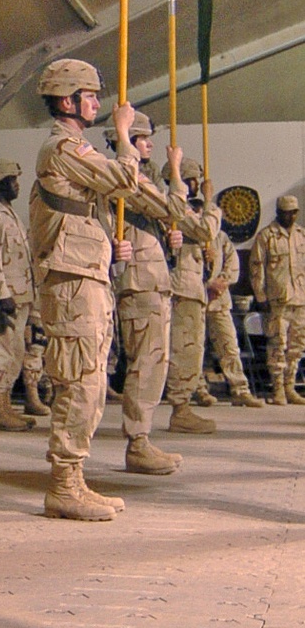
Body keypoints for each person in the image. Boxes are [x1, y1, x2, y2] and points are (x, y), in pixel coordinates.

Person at [29, 60, 141, 520]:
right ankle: (63, 484)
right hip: (73, 285)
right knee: (79, 381)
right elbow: (125, 180)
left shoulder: (72, 148)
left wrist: (106, 247)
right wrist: (124, 135)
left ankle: (74, 478)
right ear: (67, 100)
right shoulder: (63, 147)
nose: (97, 102)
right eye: (89, 95)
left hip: (84, 277)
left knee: (90, 380)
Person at [101, 112, 202, 474]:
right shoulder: (127, 178)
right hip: (140, 283)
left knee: (153, 363)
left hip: (153, 279)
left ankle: (141, 438)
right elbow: (174, 207)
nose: (150, 145)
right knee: (146, 364)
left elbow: (161, 221)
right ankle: (137, 442)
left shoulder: (136, 179)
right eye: (142, 138)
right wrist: (175, 171)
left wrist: (169, 240)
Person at [0, 158, 48, 430]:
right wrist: (1, 293)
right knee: (4, 351)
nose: (17, 185)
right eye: (12, 180)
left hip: (20, 294)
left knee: (17, 350)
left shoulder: (8, 213)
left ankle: (9, 405)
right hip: (4, 298)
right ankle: (0, 409)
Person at [164, 159, 222, 432]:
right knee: (185, 349)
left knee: (193, 349)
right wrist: (210, 202)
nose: (199, 185)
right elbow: (206, 229)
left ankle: (183, 403)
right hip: (182, 288)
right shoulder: (176, 208)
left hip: (191, 286)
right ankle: (180, 408)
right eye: (195, 180)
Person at [195, 227, 264, 407]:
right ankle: (199, 389)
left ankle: (240, 389)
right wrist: (208, 283)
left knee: (229, 346)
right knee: (195, 348)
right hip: (195, 299)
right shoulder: (188, 235)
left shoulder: (221, 237)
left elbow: (233, 263)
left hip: (219, 299)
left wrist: (222, 281)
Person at [249, 195, 305, 404]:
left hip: (300, 299)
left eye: (293, 212)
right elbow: (256, 267)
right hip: (277, 299)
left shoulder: (301, 235)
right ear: (278, 212)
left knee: (297, 346)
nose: (289, 216)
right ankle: (278, 389)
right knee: (277, 345)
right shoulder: (266, 236)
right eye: (285, 212)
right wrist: (260, 296)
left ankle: (290, 386)